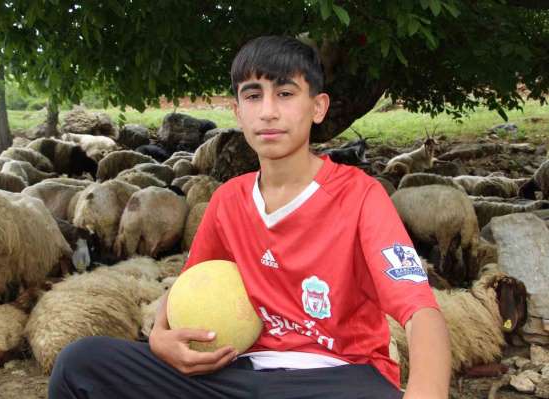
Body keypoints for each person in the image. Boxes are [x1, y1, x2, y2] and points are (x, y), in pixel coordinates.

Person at [48, 35, 451, 399]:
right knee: (81, 364)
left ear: (318, 107)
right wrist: (159, 338)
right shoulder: (228, 201)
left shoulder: (361, 196)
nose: (269, 112)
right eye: (254, 96)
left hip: (337, 378)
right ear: (238, 112)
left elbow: (420, 313)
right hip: (237, 374)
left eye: (286, 93)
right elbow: (190, 286)